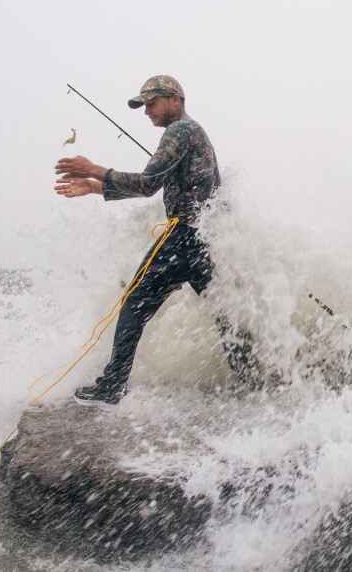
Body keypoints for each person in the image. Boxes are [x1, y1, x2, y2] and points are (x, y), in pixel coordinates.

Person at [54, 75, 259, 409]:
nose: (146, 111)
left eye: (151, 103)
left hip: (183, 238)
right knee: (225, 314)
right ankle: (254, 383)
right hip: (205, 239)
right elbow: (157, 185)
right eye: (143, 105)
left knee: (134, 303)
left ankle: (112, 386)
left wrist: (95, 170)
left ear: (174, 99)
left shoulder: (178, 131)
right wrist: (96, 187)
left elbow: (148, 183)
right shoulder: (194, 132)